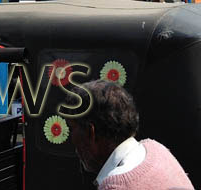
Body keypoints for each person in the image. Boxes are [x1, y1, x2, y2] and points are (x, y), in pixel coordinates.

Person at [66, 80, 194, 189]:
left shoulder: (115, 186)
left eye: (72, 129)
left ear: (90, 132)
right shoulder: (157, 150)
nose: (71, 140)